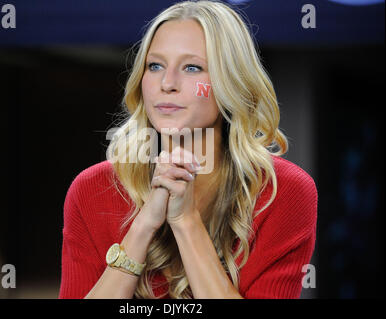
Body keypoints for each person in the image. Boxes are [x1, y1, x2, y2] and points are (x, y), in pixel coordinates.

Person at [59, 0, 317, 299]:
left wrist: (186, 221)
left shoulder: (282, 190)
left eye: (192, 67)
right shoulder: (93, 189)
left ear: (229, 82)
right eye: (155, 66)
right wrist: (142, 228)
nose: (167, 83)